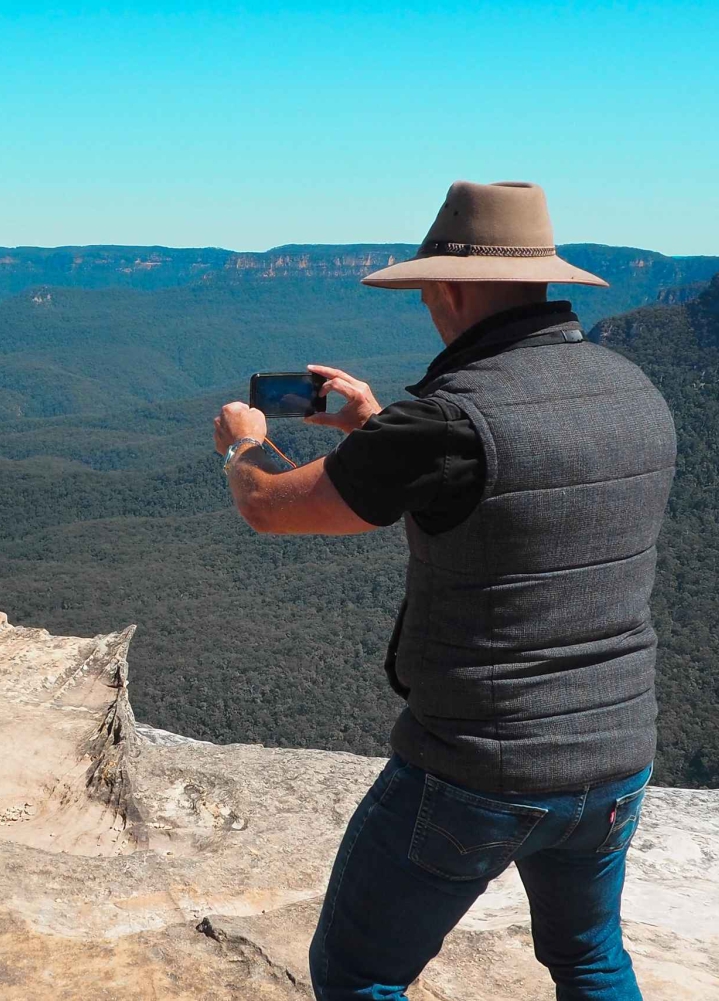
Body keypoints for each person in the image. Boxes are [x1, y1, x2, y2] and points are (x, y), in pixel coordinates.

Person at [212, 181, 676, 1001]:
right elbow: (509, 487)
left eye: (427, 288)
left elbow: (271, 508)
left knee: (359, 973)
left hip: (478, 767)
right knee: (591, 958)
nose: (427, 303)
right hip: (615, 757)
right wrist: (374, 425)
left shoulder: (447, 420)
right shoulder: (632, 390)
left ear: (454, 287)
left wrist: (243, 446)